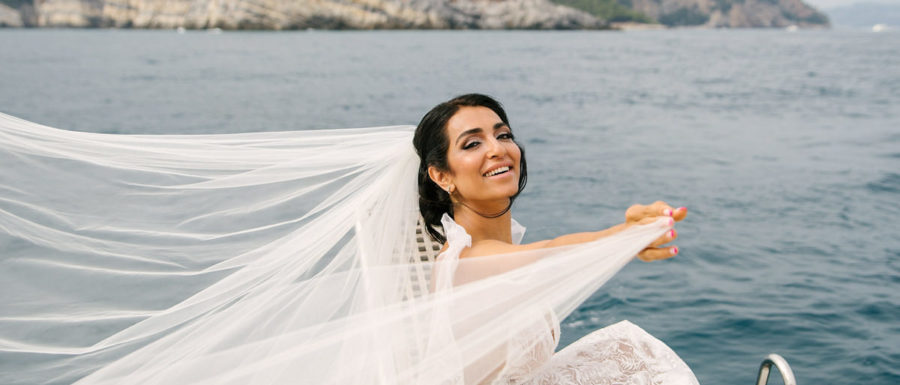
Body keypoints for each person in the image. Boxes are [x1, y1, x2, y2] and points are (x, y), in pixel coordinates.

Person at [413, 93, 698, 384]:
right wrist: (621, 235)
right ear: (442, 176)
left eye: (504, 135)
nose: (497, 148)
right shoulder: (468, 260)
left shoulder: (493, 253)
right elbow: (552, 252)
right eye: (473, 143)